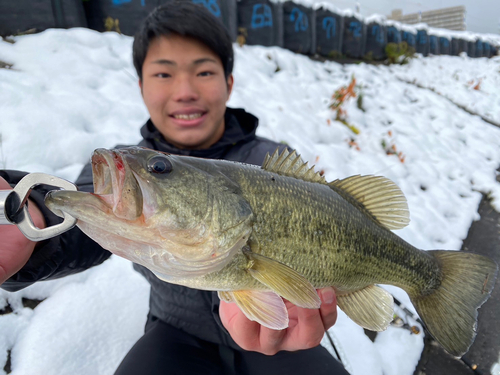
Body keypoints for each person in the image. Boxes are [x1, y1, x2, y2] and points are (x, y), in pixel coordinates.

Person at [0, 2, 348, 374]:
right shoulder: (129, 167)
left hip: (279, 329)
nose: (184, 91)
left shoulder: (273, 162)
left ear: (229, 83)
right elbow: (82, 213)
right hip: (175, 329)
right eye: (164, 74)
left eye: (204, 72)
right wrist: (29, 217)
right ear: (141, 86)